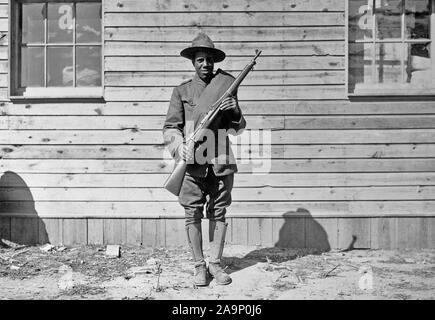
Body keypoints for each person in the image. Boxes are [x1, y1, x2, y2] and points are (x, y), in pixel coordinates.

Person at [163, 33, 246, 286]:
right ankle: (200, 266)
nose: (206, 64)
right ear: (193, 62)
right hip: (193, 162)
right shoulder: (182, 91)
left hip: (220, 159)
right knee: (192, 213)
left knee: (218, 212)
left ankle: (216, 264)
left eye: (209, 59)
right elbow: (170, 128)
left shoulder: (227, 86)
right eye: (200, 59)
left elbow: (237, 128)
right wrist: (179, 149)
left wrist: (234, 110)